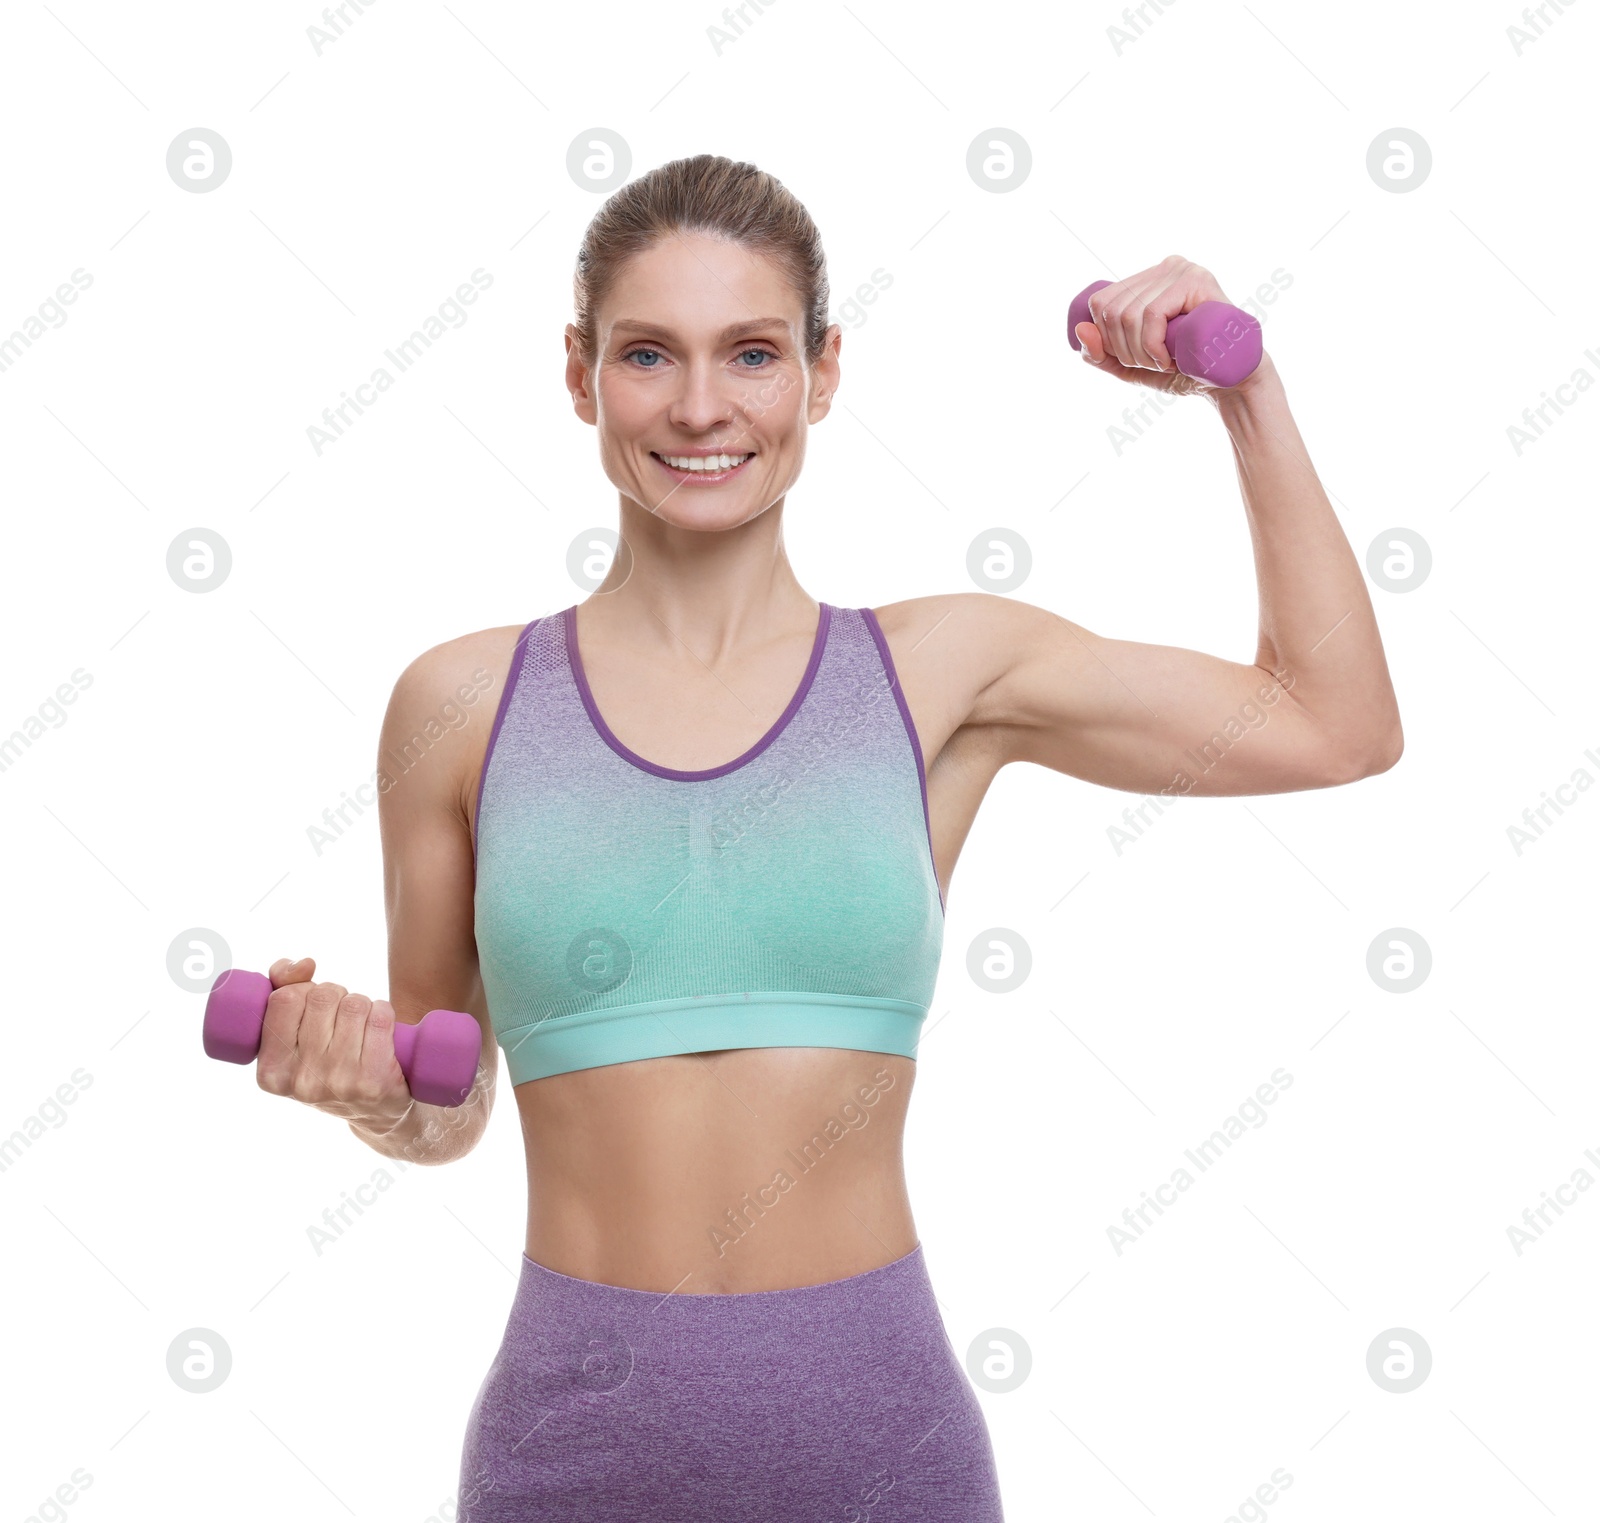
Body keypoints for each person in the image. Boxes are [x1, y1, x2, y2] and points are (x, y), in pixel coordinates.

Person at [252, 153, 1402, 1519]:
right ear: (577, 376)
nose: (699, 407)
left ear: (824, 371)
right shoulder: (459, 706)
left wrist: (1244, 396)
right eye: (645, 355)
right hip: (571, 1462)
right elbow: (443, 1109)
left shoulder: (941, 673)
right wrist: (362, 1087)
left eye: (750, 354)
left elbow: (1334, 723)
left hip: (883, 1456)